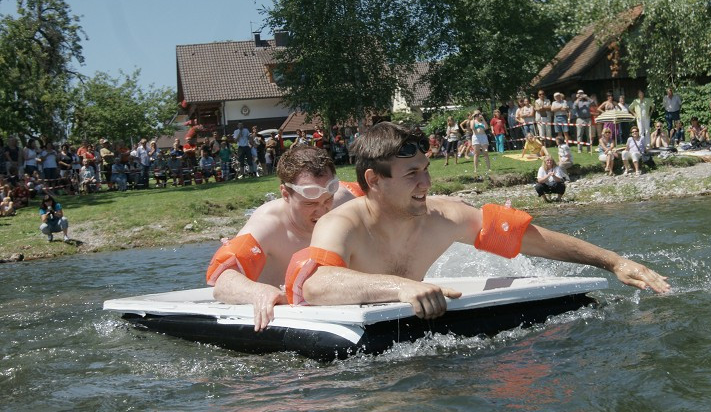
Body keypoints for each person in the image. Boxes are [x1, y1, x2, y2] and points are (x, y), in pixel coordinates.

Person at [297, 122, 669, 319]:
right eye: (412, 175)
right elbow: (316, 287)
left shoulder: (445, 216)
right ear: (374, 181)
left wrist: (612, 260)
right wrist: (401, 287)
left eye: (426, 170)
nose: (426, 184)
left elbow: (531, 238)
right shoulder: (341, 224)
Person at [208, 144, 357, 330]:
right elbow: (223, 282)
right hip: (288, 316)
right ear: (286, 194)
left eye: (328, 200)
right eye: (310, 204)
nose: (322, 211)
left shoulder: (346, 199)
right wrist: (259, 292)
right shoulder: (267, 224)